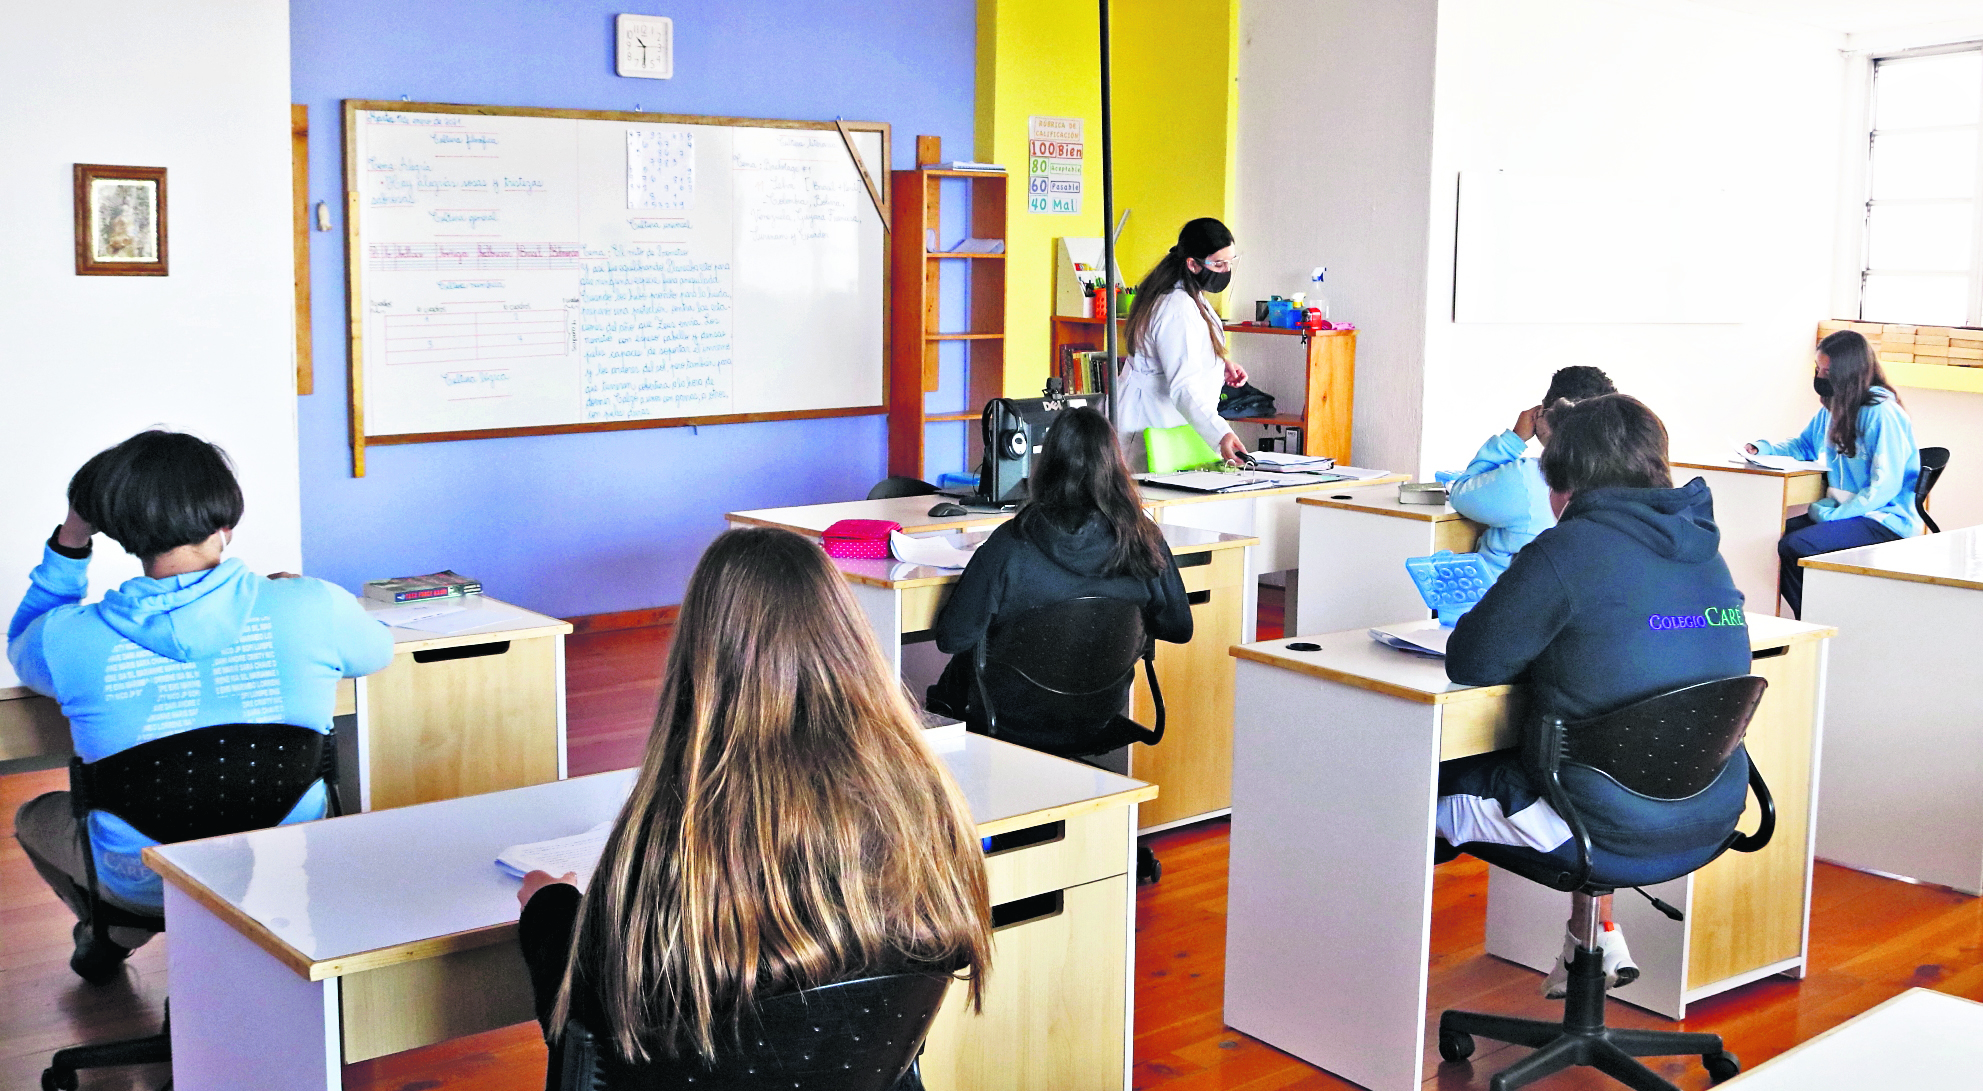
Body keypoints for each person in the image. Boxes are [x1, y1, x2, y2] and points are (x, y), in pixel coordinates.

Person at [515, 527, 992, 1084]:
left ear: (699, 659)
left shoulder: (669, 838)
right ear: (847, 640)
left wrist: (548, 907)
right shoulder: (925, 805)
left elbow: (590, 1016)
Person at [9, 430, 394, 982]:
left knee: (34, 815)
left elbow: (23, 638)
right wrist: (294, 595)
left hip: (145, 882)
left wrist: (72, 536)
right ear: (226, 523)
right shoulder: (311, 606)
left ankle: (117, 928)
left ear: (121, 534)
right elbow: (377, 650)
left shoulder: (67, 639)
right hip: (286, 868)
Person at [1436, 396, 1751, 999]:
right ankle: (1595, 941)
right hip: (1706, 809)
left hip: (1593, 824)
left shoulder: (1567, 551)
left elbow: (1472, 661)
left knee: (1407, 779)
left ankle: (1347, 987)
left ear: (1565, 482)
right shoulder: (1705, 550)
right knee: (1591, 760)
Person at [925, 406, 1192, 750]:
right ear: (1116, 466)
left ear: (1044, 466)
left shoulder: (1009, 544)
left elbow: (953, 638)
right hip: (1098, 713)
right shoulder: (1143, 541)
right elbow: (1179, 628)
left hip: (1010, 718)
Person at [1744, 329, 1922, 618]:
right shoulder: (1833, 408)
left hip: (1883, 518)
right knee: (1768, 541)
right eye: (1818, 369)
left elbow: (1885, 485)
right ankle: (1814, 619)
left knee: (1796, 545)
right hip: (1845, 511)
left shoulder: (1882, 413)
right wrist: (1761, 449)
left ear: (1847, 371)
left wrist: (1836, 516)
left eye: (1827, 370)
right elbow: (1803, 445)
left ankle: (1822, 622)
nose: (1821, 376)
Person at [1436, 366, 1617, 577]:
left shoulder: (1528, 477)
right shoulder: (1619, 477)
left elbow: (1461, 494)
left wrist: (1512, 440)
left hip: (1499, 597)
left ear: (1547, 415)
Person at [1116, 217, 1248, 470]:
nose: (1226, 270)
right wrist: (1222, 435)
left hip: (1165, 424)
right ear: (1192, 264)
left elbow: (1178, 351)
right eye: (1219, 264)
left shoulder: (1187, 296)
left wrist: (1218, 364)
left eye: (1230, 262)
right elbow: (1183, 386)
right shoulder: (1176, 307)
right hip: (1150, 424)